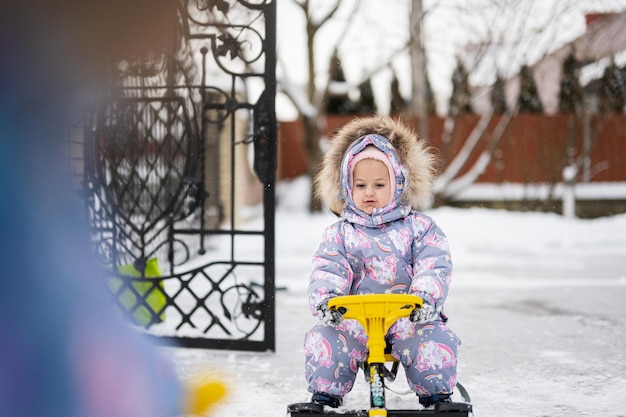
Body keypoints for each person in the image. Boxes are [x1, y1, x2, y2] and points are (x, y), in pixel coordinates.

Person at [304, 116, 461, 409]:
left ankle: (437, 395)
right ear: (347, 187)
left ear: (398, 183)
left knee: (431, 340)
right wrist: (328, 301)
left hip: (407, 316)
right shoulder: (340, 233)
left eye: (379, 184)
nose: (369, 192)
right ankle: (325, 395)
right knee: (326, 339)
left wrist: (424, 298)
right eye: (360, 185)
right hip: (356, 320)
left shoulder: (419, 228)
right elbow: (328, 268)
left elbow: (434, 263)